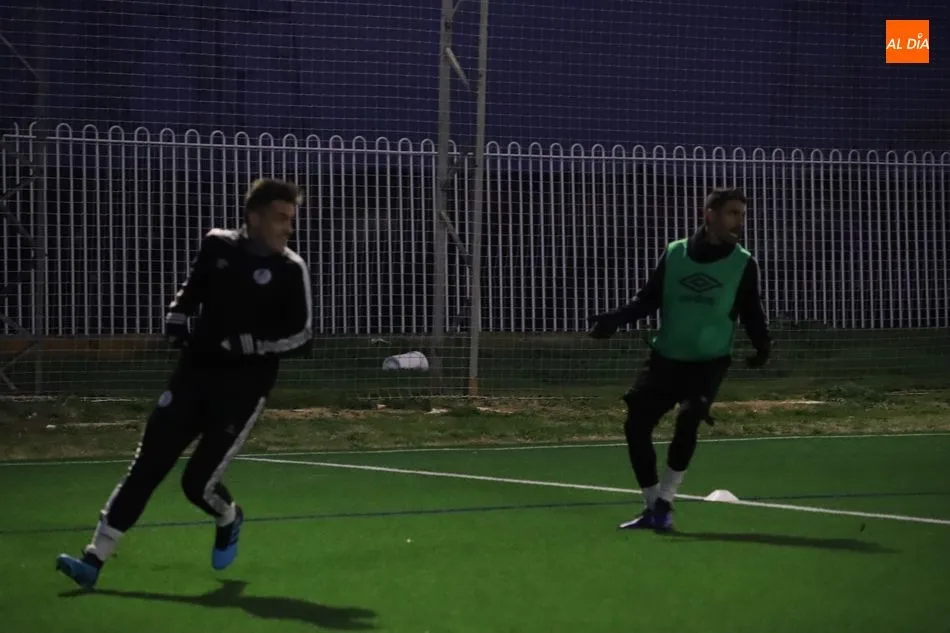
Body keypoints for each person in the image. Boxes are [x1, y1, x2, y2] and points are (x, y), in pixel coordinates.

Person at [55, 178, 314, 589]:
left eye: (291, 219)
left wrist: (254, 344)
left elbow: (302, 337)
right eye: (280, 218)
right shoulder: (217, 246)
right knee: (148, 465)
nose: (289, 228)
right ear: (253, 217)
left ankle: (229, 517)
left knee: (197, 484)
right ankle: (93, 559)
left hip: (242, 392)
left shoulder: (291, 270)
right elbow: (191, 291)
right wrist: (177, 316)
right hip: (193, 377)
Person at [588, 187, 771, 532]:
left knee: (689, 419)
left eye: (743, 214)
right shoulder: (675, 254)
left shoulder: (743, 263)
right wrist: (614, 319)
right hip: (667, 358)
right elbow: (648, 299)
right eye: (732, 213)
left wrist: (763, 347)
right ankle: (652, 505)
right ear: (710, 215)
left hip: (709, 362)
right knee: (636, 425)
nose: (740, 222)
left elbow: (752, 311)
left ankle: (666, 501)